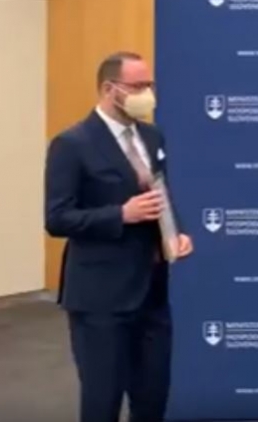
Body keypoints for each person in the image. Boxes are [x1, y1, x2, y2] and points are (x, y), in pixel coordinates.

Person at [44, 51, 194, 422]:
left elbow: (160, 194)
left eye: (149, 85)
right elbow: (57, 218)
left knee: (152, 398)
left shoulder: (152, 136)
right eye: (138, 86)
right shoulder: (72, 144)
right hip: (101, 299)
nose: (147, 94)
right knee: (103, 401)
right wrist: (120, 215)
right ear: (110, 89)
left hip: (152, 295)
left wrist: (175, 232)